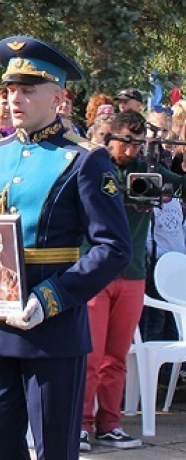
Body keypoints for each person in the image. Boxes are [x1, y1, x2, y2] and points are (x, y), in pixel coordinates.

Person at [0, 36, 131, 460]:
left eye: (28, 90)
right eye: (10, 89)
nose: (15, 99)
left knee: (54, 452)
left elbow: (114, 248)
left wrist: (53, 297)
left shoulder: (84, 160)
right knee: (2, 449)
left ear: (59, 98)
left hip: (52, 326)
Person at [81, 110, 186, 451]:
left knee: (116, 356)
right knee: (91, 356)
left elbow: (180, 185)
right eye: (125, 141)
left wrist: (166, 187)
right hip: (96, 272)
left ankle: (109, 423)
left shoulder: (149, 169)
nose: (130, 149)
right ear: (109, 136)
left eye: (137, 143)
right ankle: (80, 424)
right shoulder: (93, 166)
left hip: (133, 273)